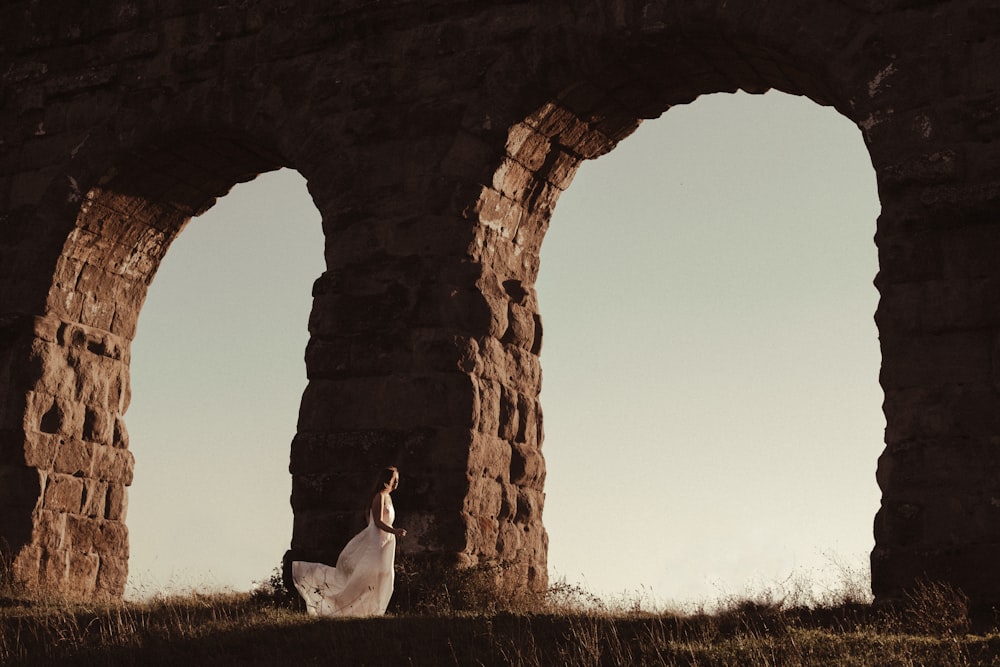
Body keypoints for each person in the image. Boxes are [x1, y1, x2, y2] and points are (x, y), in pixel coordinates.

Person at [291, 466, 407, 616]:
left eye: (397, 480)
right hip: (377, 541)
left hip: (385, 542)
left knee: (382, 574)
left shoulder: (388, 497)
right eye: (394, 479)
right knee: (366, 574)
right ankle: (345, 603)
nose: (396, 483)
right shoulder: (379, 496)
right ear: (387, 480)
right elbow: (376, 521)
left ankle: (372, 609)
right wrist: (394, 531)